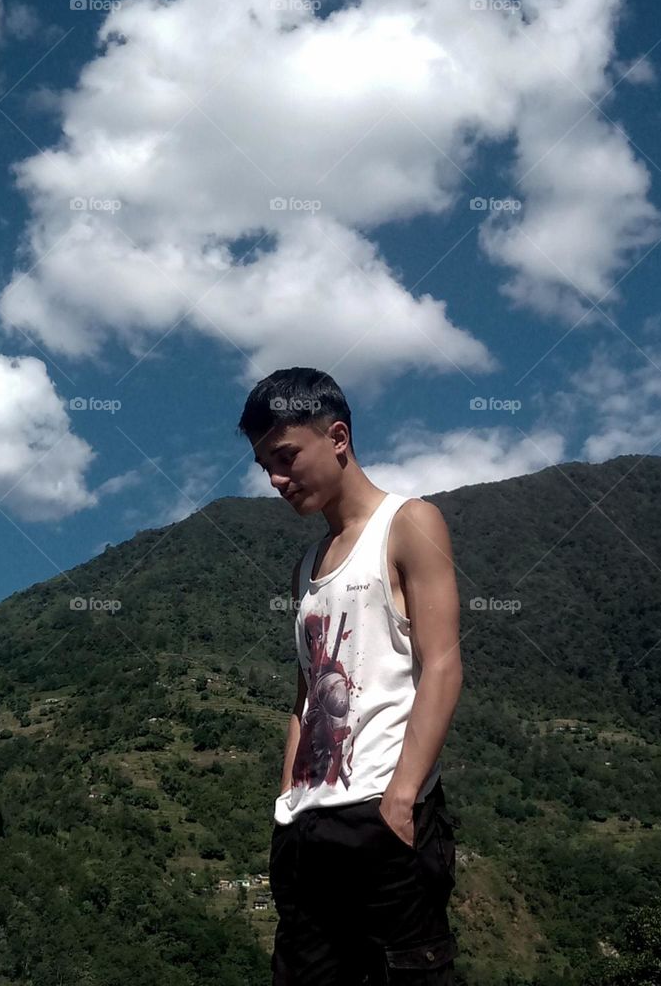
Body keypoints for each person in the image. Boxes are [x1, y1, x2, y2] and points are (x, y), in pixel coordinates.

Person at [238, 367, 463, 984]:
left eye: (286, 457)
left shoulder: (411, 523)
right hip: (306, 828)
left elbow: (441, 663)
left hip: (382, 817)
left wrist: (401, 797)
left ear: (337, 437)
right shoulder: (305, 565)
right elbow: (305, 693)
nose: (277, 480)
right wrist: (287, 802)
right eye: (265, 468)